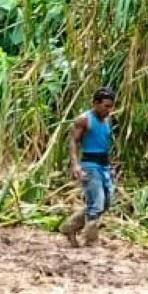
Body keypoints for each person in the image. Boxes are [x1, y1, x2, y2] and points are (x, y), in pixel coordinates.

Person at [59, 87, 118, 246]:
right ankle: (91, 240)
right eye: (106, 106)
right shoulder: (84, 119)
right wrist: (75, 165)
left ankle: (70, 227)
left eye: (111, 106)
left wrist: (110, 166)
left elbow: (105, 143)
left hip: (103, 165)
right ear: (95, 104)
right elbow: (73, 141)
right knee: (97, 203)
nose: (109, 109)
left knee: (106, 203)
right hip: (90, 165)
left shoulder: (107, 121)